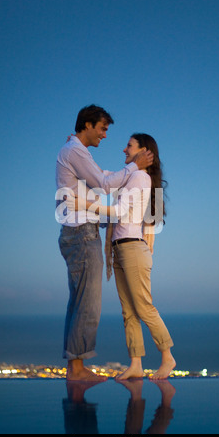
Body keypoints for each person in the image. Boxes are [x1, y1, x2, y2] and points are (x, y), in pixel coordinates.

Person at [55, 105, 154, 381]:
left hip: (79, 232)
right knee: (88, 303)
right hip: (81, 234)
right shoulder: (75, 151)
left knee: (78, 301)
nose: (106, 136)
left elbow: (104, 182)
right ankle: (77, 369)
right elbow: (105, 183)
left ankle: (75, 367)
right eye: (102, 128)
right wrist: (134, 165)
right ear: (87, 125)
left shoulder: (76, 152)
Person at [67, 133, 175, 380]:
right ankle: (136, 364)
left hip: (132, 249)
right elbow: (105, 184)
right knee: (128, 311)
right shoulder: (131, 177)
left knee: (144, 307)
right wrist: (76, 144)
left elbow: (119, 211)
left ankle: (168, 356)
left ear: (143, 151)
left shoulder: (138, 176)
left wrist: (84, 205)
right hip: (120, 248)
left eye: (129, 145)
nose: (123, 149)